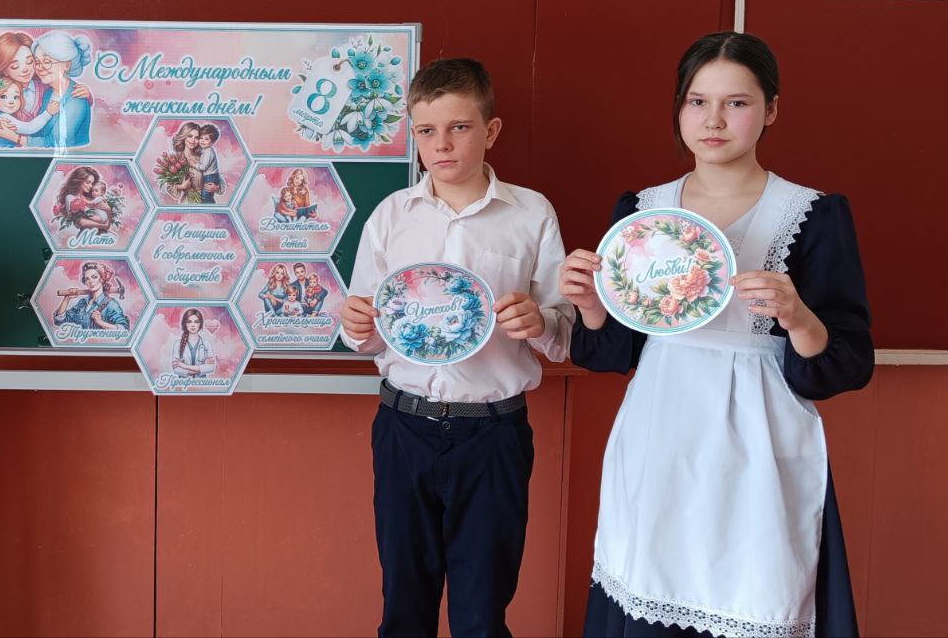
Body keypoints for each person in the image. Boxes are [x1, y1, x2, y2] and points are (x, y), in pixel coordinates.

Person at [559, 32, 873, 638]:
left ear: (771, 110)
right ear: (679, 108)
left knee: (756, 592)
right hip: (659, 433)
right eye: (698, 102)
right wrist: (591, 304)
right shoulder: (642, 213)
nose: (714, 120)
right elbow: (615, 352)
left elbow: (849, 360)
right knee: (649, 584)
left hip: (759, 440)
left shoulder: (812, 214)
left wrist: (797, 316)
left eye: (737, 103)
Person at [340, 57, 573, 637]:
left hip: (493, 433)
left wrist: (539, 320)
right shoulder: (391, 216)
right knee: (403, 608)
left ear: (490, 130)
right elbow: (366, 335)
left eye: (459, 127)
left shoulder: (531, 214)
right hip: (404, 426)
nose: (441, 144)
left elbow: (564, 334)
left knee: (481, 614)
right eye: (426, 130)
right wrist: (357, 322)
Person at [19, 30, 95, 150]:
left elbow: (55, 141)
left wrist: (16, 138)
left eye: (47, 62)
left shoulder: (77, 97)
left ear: (66, 65)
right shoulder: (48, 93)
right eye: (37, 62)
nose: (39, 68)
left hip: (74, 157)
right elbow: (41, 130)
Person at [0, 78, 55, 148]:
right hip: (5, 151)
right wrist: (47, 114)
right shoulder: (4, 118)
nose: (11, 102)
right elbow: (29, 128)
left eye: (16, 97)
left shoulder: (4, 115)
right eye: (3, 97)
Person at [53, 261, 129, 331]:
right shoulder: (82, 303)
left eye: (94, 277)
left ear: (102, 279)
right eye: (87, 279)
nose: (90, 281)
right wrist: (67, 298)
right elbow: (59, 321)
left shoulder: (111, 304)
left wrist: (101, 322)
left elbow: (123, 329)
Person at [165, 121, 205, 203]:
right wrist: (182, 186)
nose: (193, 140)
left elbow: (216, 178)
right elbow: (168, 187)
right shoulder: (176, 159)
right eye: (190, 136)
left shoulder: (203, 158)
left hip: (206, 200)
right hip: (188, 202)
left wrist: (215, 187)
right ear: (184, 137)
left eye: (196, 137)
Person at [171, 308, 216, 377]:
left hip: (201, 382)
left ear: (200, 324)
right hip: (183, 383)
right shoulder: (177, 344)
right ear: (185, 324)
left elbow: (211, 368)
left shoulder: (207, 344)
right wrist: (201, 368)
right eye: (189, 322)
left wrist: (183, 366)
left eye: (196, 322)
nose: (193, 325)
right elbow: (176, 369)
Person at [196, 122, 224, 203]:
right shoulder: (205, 150)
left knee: (206, 197)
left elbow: (203, 167)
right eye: (201, 138)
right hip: (209, 177)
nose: (202, 141)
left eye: (206, 139)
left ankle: (210, 207)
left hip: (210, 177)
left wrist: (194, 164)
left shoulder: (208, 152)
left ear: (212, 142)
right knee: (205, 196)